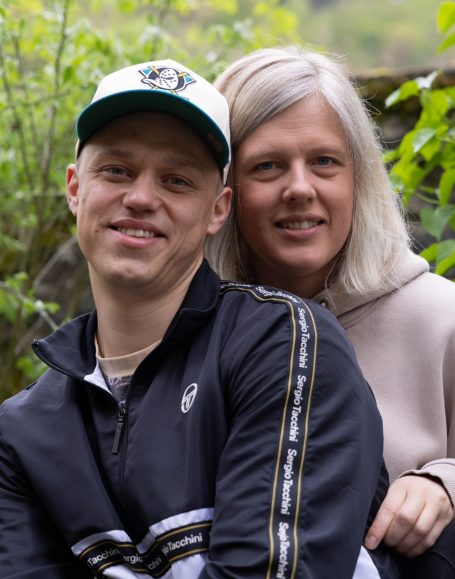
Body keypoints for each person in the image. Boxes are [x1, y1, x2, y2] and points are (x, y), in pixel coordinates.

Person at [0, 58, 400, 579]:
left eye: (177, 180)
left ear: (218, 209)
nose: (141, 198)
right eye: (117, 170)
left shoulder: (282, 343)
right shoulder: (24, 430)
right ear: (75, 189)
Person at [206, 45, 455, 577]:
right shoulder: (192, 332)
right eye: (267, 166)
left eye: (324, 161)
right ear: (224, 192)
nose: (300, 188)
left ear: (358, 177)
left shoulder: (443, 318)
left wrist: (445, 483)